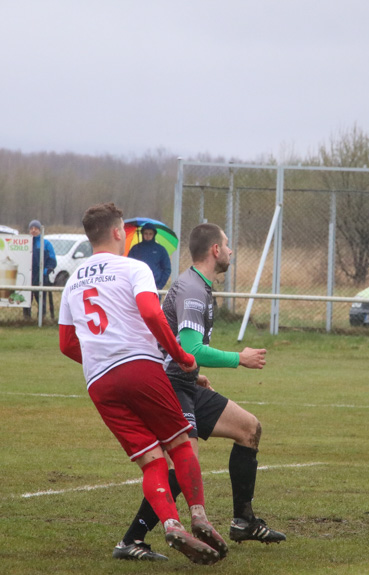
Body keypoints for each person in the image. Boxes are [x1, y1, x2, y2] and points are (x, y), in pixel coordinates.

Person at [58, 203, 227, 565]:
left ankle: (169, 522)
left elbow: (67, 344)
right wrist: (182, 357)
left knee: (151, 462)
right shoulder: (135, 267)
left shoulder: (72, 280)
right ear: (119, 232)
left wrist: (98, 358)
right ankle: (198, 516)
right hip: (138, 366)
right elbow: (151, 312)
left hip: (99, 382)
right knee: (181, 445)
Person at [119, 223, 285, 559]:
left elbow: (180, 348)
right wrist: (240, 358)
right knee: (186, 463)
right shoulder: (193, 289)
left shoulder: (198, 285)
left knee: (249, 428)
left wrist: (194, 375)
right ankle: (131, 540)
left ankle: (243, 521)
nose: (230, 250)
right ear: (214, 250)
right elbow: (192, 348)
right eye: (227, 244)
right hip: (170, 387)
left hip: (185, 382)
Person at [24, 219, 57, 320]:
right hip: (28, 275)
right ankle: (26, 318)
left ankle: (41, 318)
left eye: (36, 228)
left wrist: (45, 272)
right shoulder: (25, 243)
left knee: (40, 298)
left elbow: (52, 260)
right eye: (31, 228)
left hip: (41, 276)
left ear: (40, 230)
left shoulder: (46, 243)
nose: (33, 230)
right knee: (26, 298)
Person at [127, 222, 171, 289]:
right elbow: (129, 267)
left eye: (150, 234)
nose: (148, 236)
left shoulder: (160, 250)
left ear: (154, 234)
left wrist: (159, 286)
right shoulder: (135, 249)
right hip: (138, 285)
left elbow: (167, 269)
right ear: (142, 234)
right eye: (146, 233)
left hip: (154, 286)